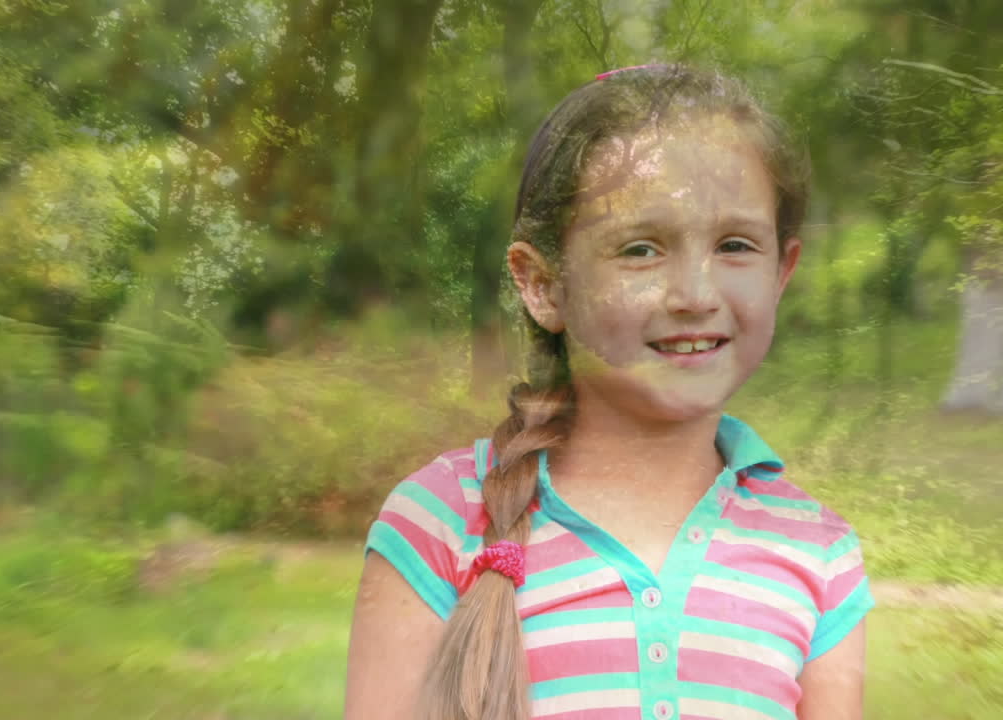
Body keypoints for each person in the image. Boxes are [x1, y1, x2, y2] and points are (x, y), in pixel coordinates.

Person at [344, 64, 873, 720]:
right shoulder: (438, 523)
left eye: (735, 245)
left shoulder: (816, 549)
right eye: (641, 250)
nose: (695, 295)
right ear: (542, 284)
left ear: (781, 271)